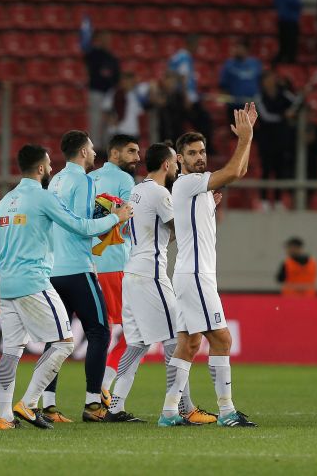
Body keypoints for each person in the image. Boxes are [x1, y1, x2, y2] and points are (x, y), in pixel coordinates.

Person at [0, 144, 131, 430]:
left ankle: (5, 417)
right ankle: (29, 403)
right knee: (64, 342)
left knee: (12, 351)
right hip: (35, 281)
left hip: (6, 285)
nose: (52, 169)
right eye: (49, 165)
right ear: (41, 168)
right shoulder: (42, 199)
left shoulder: (4, 201)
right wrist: (114, 218)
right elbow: (79, 226)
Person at [160, 104, 258, 428]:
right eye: (192, 153)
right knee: (223, 340)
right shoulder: (187, 183)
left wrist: (249, 137)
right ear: (179, 159)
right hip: (196, 276)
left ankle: (170, 411)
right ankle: (227, 411)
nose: (200, 156)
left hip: (192, 275)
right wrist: (245, 138)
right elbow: (232, 172)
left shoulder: (198, 187)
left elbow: (238, 172)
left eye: (202, 151)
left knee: (189, 344)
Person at [106, 142, 217, 424]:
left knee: (136, 345)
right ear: (167, 164)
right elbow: (183, 228)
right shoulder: (160, 194)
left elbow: (161, 234)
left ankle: (114, 406)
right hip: (151, 275)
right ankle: (184, 408)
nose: (179, 169)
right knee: (175, 341)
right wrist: (207, 207)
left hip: (130, 273)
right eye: (176, 164)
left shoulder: (136, 191)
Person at [42, 130, 115, 422]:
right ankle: (94, 404)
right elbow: (86, 226)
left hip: (52, 269)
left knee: (56, 337)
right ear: (83, 152)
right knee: (99, 332)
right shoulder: (83, 180)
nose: (96, 153)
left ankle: (47, 404)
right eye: (92, 149)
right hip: (77, 267)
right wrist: (114, 216)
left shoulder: (54, 181)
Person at [88, 135, 140, 399]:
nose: (137, 157)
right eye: (131, 152)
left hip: (88, 264)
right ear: (115, 154)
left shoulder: (89, 179)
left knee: (94, 334)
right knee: (136, 334)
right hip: (116, 262)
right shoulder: (124, 181)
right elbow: (128, 222)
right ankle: (104, 387)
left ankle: (46, 400)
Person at [256, 70, 296, 209]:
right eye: (267, 80)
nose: (270, 82)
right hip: (266, 141)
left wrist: (291, 112)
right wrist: (284, 116)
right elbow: (266, 117)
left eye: (272, 79)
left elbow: (297, 102)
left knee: (280, 170)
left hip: (281, 139)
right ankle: (264, 200)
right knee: (266, 170)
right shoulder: (260, 98)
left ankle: (278, 201)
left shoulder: (283, 94)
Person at [168, 35, 214, 151]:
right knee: (204, 121)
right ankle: (206, 149)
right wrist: (186, 97)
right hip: (184, 97)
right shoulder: (184, 57)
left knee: (179, 126)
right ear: (192, 44)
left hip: (177, 97)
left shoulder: (177, 57)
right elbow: (183, 77)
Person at [82, 27, 120, 152]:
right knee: (96, 119)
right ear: (98, 39)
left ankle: (105, 146)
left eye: (108, 38)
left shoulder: (112, 58)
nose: (106, 40)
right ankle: (94, 146)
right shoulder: (94, 54)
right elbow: (85, 55)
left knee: (108, 120)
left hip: (109, 93)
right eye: (103, 38)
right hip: (96, 91)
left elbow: (116, 77)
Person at [219, 39, 262, 126]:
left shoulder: (255, 64)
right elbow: (223, 85)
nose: (238, 50)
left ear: (247, 50)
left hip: (252, 105)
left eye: (240, 48)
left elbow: (261, 81)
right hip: (235, 106)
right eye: (237, 48)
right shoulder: (229, 65)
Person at [104, 72, 150, 139]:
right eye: (124, 80)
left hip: (132, 131)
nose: (126, 83)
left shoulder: (138, 92)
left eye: (129, 81)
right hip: (116, 131)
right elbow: (105, 109)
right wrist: (110, 119)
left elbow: (153, 85)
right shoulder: (114, 92)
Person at [273, 0, 301, 64]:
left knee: (283, 45)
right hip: (291, 18)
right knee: (290, 48)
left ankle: (278, 64)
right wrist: (299, 6)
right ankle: (290, 68)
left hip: (282, 17)